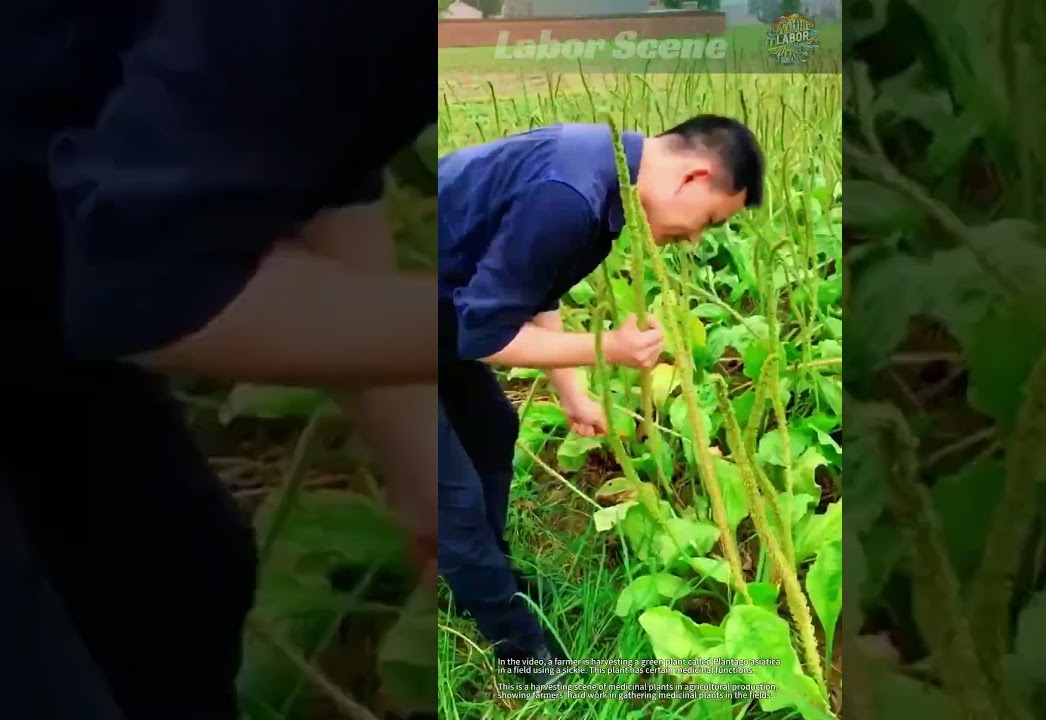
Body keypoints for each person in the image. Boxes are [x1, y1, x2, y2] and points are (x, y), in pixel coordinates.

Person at [1, 2, 438, 718]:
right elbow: (149, 294)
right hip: (63, 219)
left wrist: (413, 441)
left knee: (174, 584)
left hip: (44, 207)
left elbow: (304, 124)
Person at [436, 115, 764, 686]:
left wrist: (574, 395)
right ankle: (520, 645)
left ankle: (485, 578)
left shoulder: (606, 173)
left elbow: (537, 290)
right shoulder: (571, 193)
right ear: (694, 176)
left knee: (492, 429)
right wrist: (607, 348)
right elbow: (483, 339)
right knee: (451, 497)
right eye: (708, 221)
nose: (694, 240)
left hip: (438, 307)